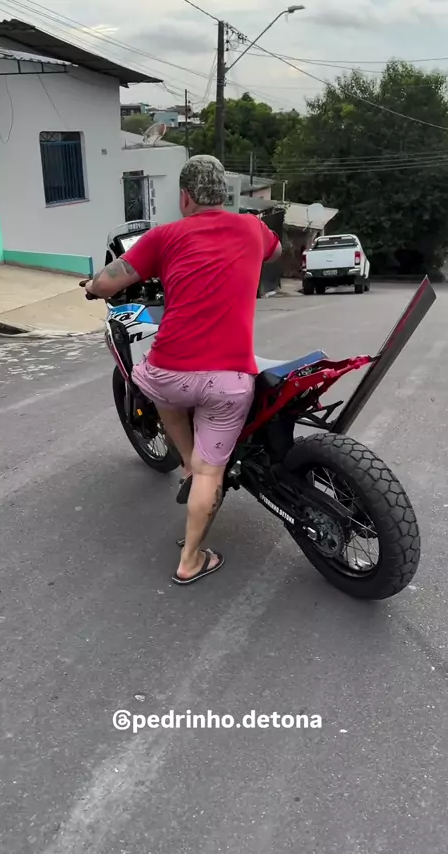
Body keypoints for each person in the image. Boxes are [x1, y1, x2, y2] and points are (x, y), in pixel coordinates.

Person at [85, 154, 282, 585]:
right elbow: (278, 250)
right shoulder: (252, 228)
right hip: (229, 380)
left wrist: (92, 287)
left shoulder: (165, 236)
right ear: (224, 194)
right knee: (213, 472)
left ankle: (188, 468)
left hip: (171, 372)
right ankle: (192, 551)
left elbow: (109, 281)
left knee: (158, 387)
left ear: (185, 197)